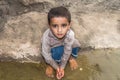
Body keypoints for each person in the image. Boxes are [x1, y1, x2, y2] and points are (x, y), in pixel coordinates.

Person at [41, 6, 80, 79]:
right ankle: (50, 65)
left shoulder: (70, 34)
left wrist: (62, 67)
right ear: (49, 25)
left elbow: (67, 50)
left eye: (64, 25)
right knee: (57, 52)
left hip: (66, 47)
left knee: (75, 43)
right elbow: (46, 55)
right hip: (54, 48)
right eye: (55, 26)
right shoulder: (46, 37)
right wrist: (56, 67)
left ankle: (71, 58)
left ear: (69, 25)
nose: (59, 30)